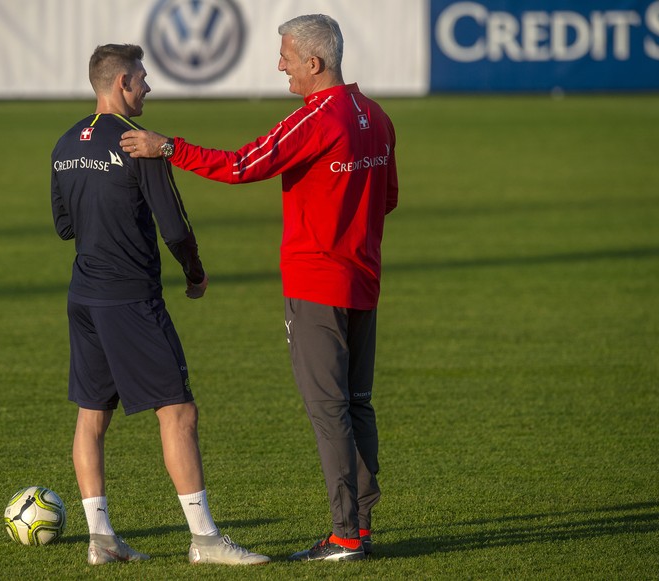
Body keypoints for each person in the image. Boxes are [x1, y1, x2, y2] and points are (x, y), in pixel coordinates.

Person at [119, 14, 398, 562]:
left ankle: (344, 537)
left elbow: (243, 164)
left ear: (314, 64)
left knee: (329, 411)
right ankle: (360, 527)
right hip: (364, 279)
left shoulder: (316, 117)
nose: (281, 66)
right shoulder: (377, 116)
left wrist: (168, 146)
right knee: (358, 405)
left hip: (318, 284)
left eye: (287, 57)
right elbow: (386, 197)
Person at [50, 43, 270, 567]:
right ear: (121, 82)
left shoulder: (62, 144)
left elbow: (64, 226)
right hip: (130, 298)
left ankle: (101, 540)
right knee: (178, 411)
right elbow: (174, 225)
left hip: (83, 294)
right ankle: (206, 540)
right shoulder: (139, 143)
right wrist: (195, 272)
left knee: (91, 415)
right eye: (143, 78)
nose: (149, 87)